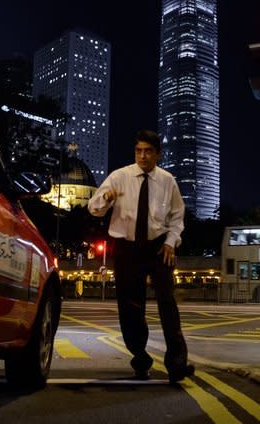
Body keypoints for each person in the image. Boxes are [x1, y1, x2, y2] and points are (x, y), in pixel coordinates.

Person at [87, 130, 194, 383]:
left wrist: (170, 242)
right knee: (130, 307)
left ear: (158, 153)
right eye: (139, 151)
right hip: (126, 248)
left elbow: (178, 217)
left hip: (158, 248)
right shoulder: (119, 176)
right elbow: (94, 209)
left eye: (148, 151)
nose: (143, 156)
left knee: (167, 303)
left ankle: (177, 364)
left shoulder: (168, 181)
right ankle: (140, 357)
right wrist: (105, 198)